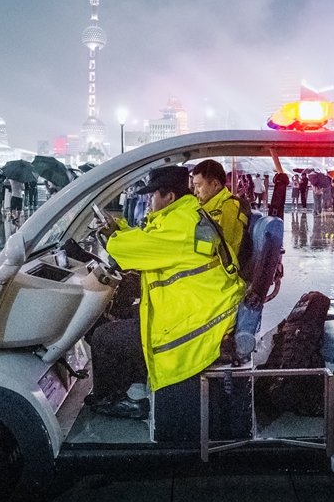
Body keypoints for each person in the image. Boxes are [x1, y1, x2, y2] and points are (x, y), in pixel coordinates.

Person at [88, 166, 244, 419]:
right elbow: (148, 238)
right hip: (201, 305)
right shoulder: (183, 216)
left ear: (169, 196)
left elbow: (125, 251)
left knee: (105, 336)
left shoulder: (180, 225)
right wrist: (118, 226)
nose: (150, 200)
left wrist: (110, 235)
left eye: (152, 195)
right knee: (124, 321)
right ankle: (137, 380)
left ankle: (111, 400)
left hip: (199, 318)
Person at [191, 160, 249, 271]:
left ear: (215, 184)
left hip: (219, 273)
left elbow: (228, 252)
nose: (195, 192)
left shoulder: (229, 208)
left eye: (198, 186)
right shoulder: (207, 206)